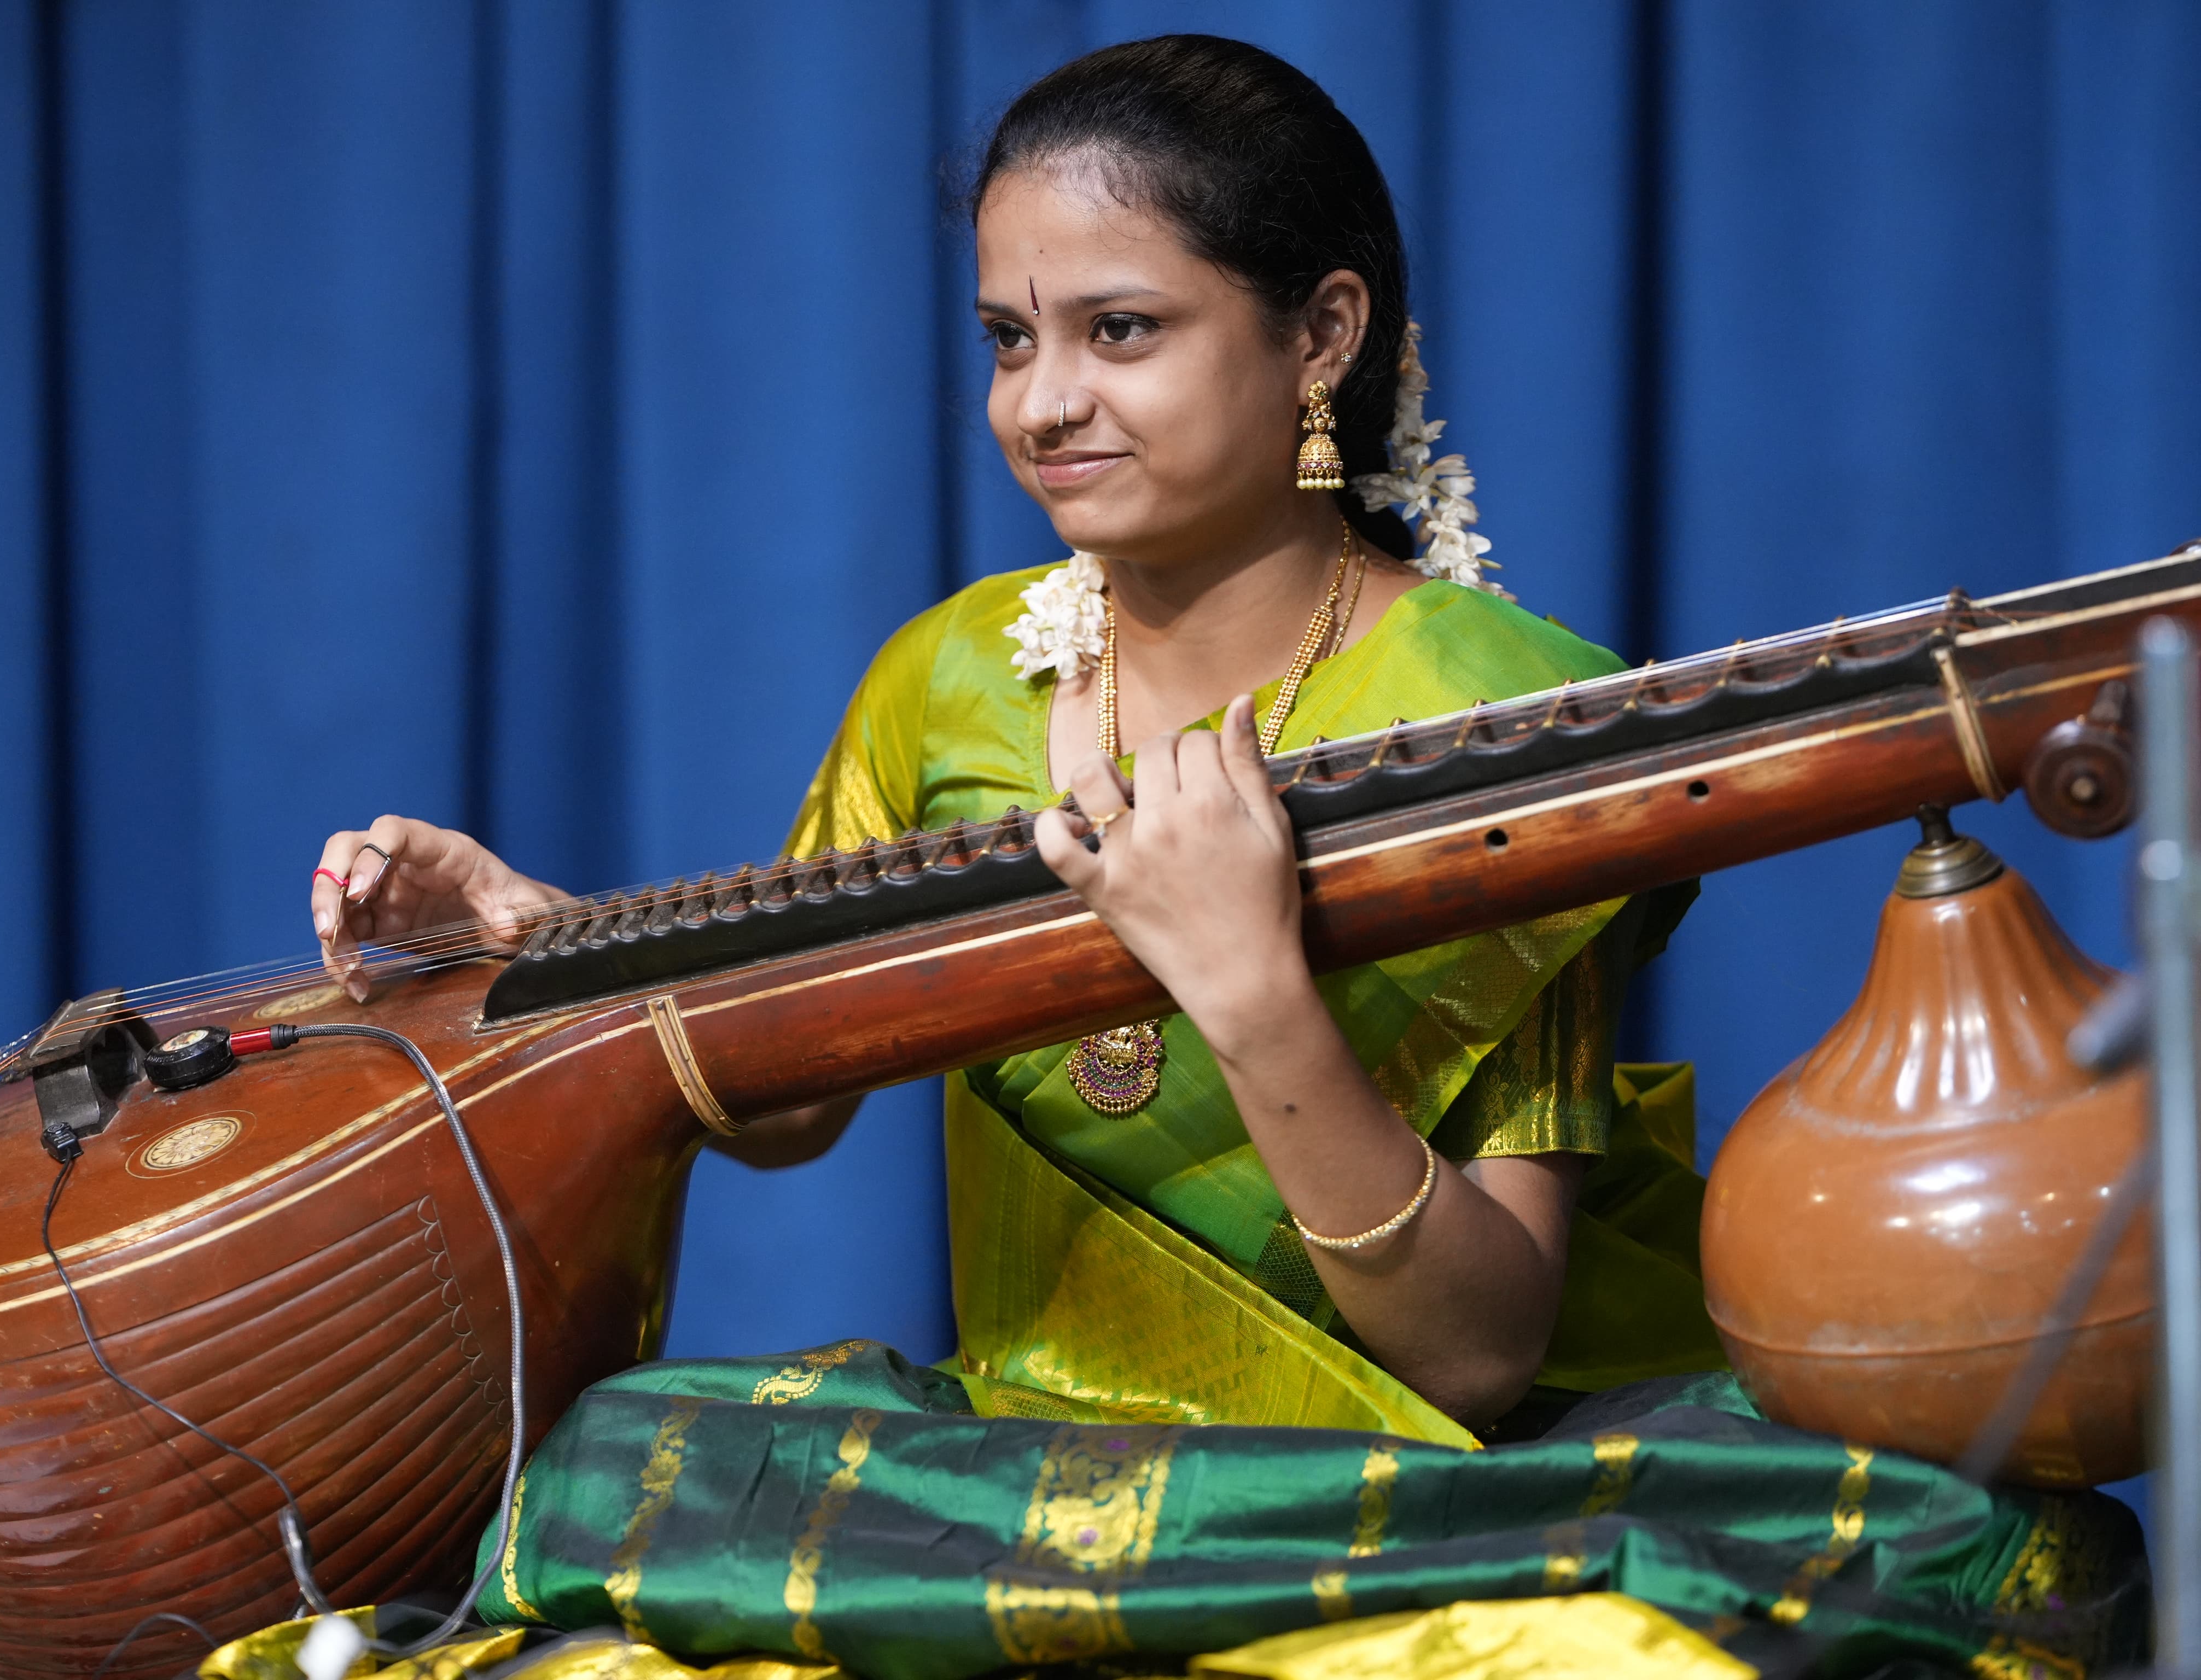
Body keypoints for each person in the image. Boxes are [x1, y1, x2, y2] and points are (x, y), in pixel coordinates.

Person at [275, 36, 2140, 1680]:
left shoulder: (1514, 725)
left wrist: (1251, 990)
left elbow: (1480, 1354)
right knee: (616, 1473)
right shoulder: (948, 679)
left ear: (1320, 334)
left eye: (1122, 330)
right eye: (1011, 338)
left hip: (1419, 1478)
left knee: (1912, 1557)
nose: (1043, 402)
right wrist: (557, 942)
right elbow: (788, 1101)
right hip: (1052, 1456)